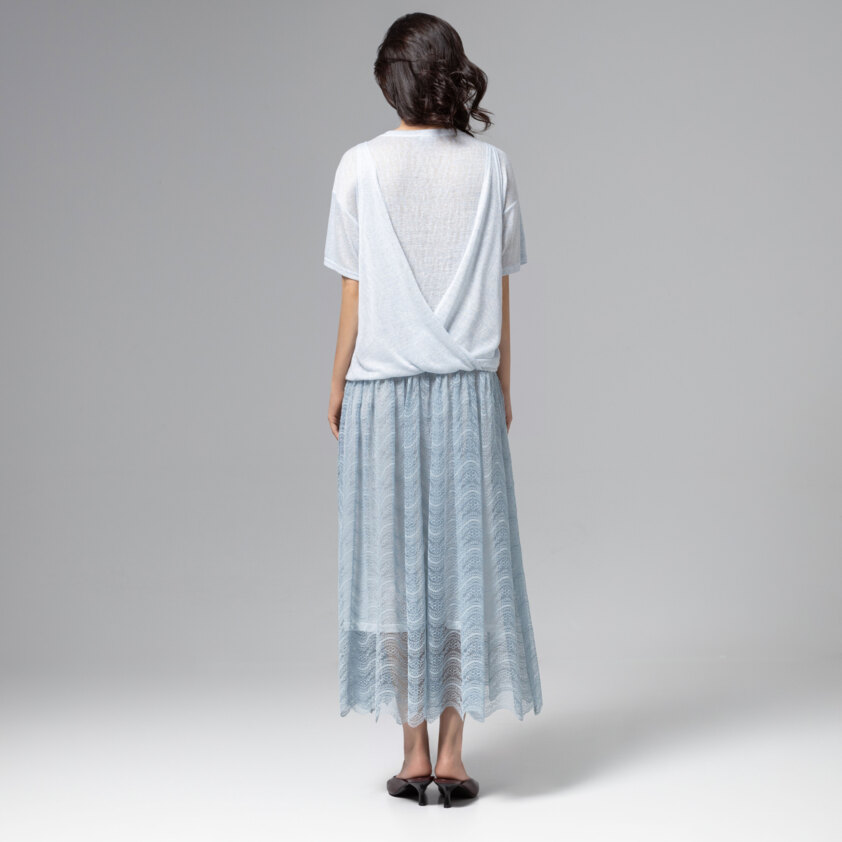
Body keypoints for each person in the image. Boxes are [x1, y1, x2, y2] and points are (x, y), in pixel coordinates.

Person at [324, 12, 543, 808]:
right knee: (465, 565)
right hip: (467, 389)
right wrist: (503, 385)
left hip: (381, 389)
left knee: (391, 564)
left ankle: (411, 749)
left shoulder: (358, 166)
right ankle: (453, 757)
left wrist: (336, 381)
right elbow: (499, 292)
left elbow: (353, 291)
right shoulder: (492, 168)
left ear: (394, 81)